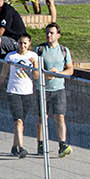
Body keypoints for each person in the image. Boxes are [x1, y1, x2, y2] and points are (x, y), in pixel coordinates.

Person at [0, 33, 39, 158]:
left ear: (29, 44)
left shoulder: (33, 56)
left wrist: (34, 65)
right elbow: (3, 74)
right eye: (20, 43)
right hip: (14, 91)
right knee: (18, 120)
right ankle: (21, 148)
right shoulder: (11, 56)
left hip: (27, 92)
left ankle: (14, 146)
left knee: (21, 122)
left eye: (25, 43)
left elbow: (36, 77)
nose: (22, 45)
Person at [35, 22, 75, 158]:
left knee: (60, 117)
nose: (48, 35)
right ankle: (41, 143)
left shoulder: (64, 51)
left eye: (52, 33)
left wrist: (58, 73)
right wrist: (47, 74)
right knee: (42, 117)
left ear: (58, 35)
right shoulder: (40, 50)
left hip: (59, 89)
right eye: (47, 32)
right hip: (43, 89)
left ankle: (62, 144)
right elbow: (34, 71)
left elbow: (70, 70)